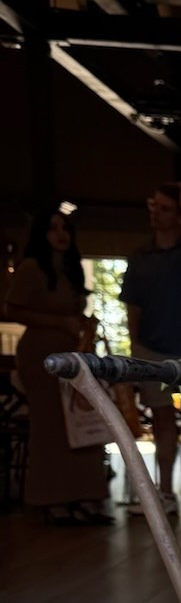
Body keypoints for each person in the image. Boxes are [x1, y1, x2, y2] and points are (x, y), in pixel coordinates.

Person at [2, 208, 111, 524]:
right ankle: (52, 499)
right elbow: (12, 309)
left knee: (81, 423)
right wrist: (58, 322)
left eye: (65, 228)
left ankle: (86, 496)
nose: (61, 234)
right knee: (50, 426)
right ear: (41, 235)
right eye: (52, 229)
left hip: (73, 356)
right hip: (41, 356)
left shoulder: (71, 269)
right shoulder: (31, 268)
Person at [120, 181, 181, 515]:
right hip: (151, 350)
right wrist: (135, 350)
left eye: (165, 208)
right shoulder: (140, 257)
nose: (156, 213)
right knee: (162, 423)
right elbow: (133, 309)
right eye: (153, 206)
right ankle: (166, 493)